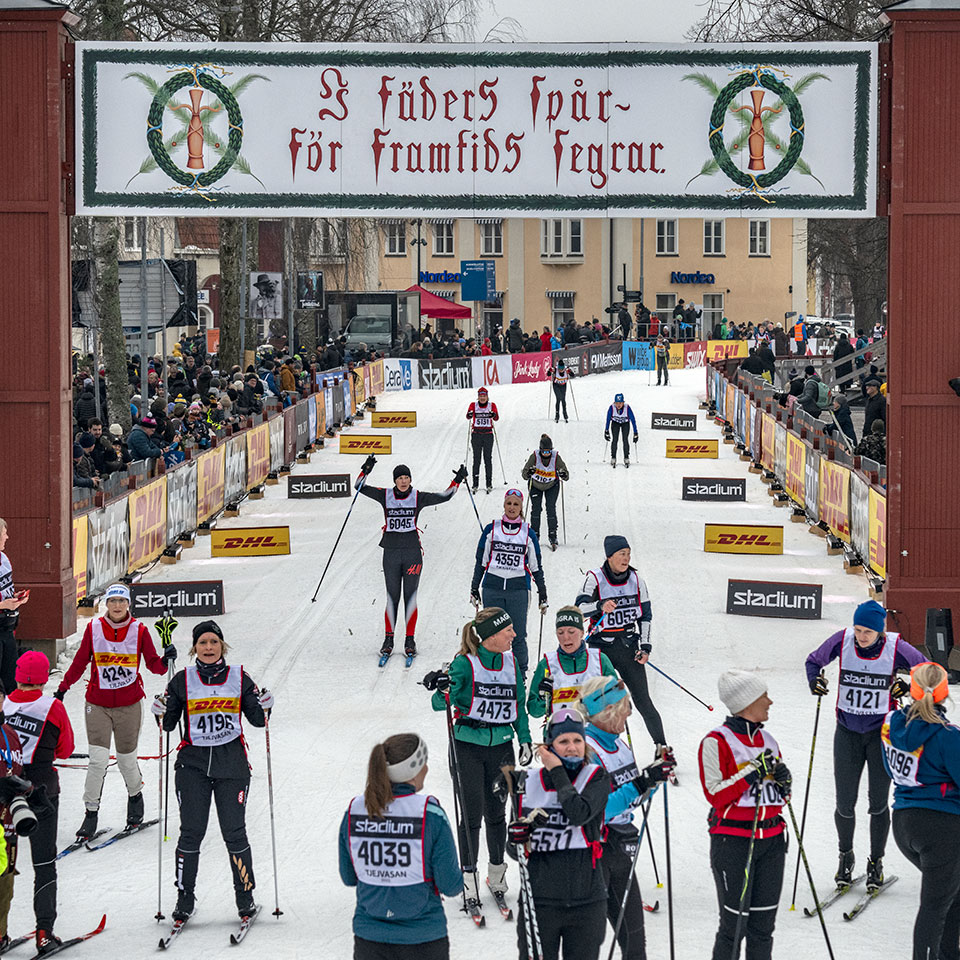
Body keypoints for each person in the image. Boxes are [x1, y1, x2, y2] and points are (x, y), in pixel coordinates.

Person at [154, 620, 271, 922]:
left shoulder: (239, 677)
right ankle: (184, 898)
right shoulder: (182, 680)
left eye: (213, 642)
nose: (208, 648)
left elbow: (258, 720)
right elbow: (168, 724)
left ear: (222, 646)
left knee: (234, 833)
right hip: (192, 765)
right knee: (191, 832)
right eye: (202, 643)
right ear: (194, 648)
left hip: (231, 765)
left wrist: (266, 705)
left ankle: (245, 897)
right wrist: (160, 711)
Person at [805, 599, 924, 889]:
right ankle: (845, 857)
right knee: (844, 803)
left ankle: (876, 862)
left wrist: (910, 686)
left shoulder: (895, 646)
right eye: (858, 629)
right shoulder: (843, 640)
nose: (861, 636)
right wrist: (814, 680)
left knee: (877, 803)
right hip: (847, 732)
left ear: (880, 631)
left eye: (867, 632)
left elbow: (930, 671)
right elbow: (813, 661)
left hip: (880, 736)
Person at [423, 608, 532, 918]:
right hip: (468, 746)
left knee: (497, 814)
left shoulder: (510, 662)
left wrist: (524, 739)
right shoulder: (465, 663)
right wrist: (442, 686)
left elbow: (518, 704)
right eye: (508, 630)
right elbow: (439, 703)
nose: (514, 635)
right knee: (471, 815)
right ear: (491, 636)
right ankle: (468, 880)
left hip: (502, 746)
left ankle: (496, 876)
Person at [55, 582, 175, 839]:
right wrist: (63, 688)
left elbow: (154, 666)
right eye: (113, 601)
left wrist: (166, 660)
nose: (117, 606)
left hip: (129, 705)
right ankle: (90, 813)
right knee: (97, 760)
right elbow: (80, 661)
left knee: (126, 760)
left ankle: (135, 797)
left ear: (128, 604)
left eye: (122, 601)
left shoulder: (139, 630)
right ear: (106, 604)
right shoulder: (94, 628)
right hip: (97, 704)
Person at [339, 734, 462, 960]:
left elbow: (349, 877)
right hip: (423, 939)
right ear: (413, 771)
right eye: (424, 763)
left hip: (370, 940)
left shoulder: (354, 811)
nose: (427, 768)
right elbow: (451, 885)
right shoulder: (430, 814)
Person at [698, 670, 791, 960]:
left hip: (772, 841)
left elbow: (779, 799)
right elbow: (715, 794)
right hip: (734, 843)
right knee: (734, 928)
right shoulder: (716, 741)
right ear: (747, 702)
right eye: (764, 696)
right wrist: (752, 772)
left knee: (763, 928)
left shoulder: (769, 740)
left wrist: (785, 784)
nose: (770, 702)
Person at [582, 676, 676, 960]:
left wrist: (654, 777)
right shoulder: (586, 750)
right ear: (608, 710)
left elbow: (632, 796)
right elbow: (597, 810)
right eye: (625, 707)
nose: (629, 713)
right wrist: (641, 783)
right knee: (586, 946)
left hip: (622, 849)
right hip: (595, 852)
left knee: (635, 944)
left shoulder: (620, 746)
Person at [507, 706, 610, 960]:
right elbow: (513, 849)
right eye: (563, 741)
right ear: (549, 746)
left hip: (586, 903)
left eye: (577, 740)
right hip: (539, 902)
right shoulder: (526, 782)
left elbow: (578, 813)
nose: (572, 747)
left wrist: (556, 771)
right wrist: (517, 837)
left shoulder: (595, 777)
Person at [882, 661, 960, 960]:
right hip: (942, 827)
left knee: (951, 895)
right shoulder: (948, 735)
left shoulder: (891, 723)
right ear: (944, 692)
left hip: (904, 823)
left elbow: (890, 768)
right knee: (935, 907)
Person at [357, 460, 466, 660]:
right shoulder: (385, 495)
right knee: (392, 596)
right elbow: (359, 487)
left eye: (406, 477)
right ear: (395, 480)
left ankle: (409, 639)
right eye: (400, 478)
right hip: (390, 552)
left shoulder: (418, 497)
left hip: (412, 553)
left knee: (410, 596)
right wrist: (366, 470)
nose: (404, 481)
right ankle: (388, 640)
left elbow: (445, 496)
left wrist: (457, 480)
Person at [3, 651, 74, 956]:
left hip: (6, 792)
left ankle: (0, 932)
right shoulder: (53, 707)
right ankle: (44, 933)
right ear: (45, 679)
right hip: (42, 790)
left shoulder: (4, 704)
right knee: (44, 863)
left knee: (3, 865)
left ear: (17, 675)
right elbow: (66, 749)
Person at [576, 536, 666, 752]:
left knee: (643, 700)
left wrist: (645, 647)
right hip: (600, 649)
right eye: (621, 554)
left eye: (628, 554)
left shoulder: (636, 580)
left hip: (628, 647)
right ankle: (592, 749)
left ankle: (662, 747)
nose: (626, 558)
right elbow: (578, 610)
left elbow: (645, 616)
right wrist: (599, 605)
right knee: (597, 702)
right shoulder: (594, 578)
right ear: (610, 557)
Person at [470, 489, 547, 676]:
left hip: (518, 590)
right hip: (492, 587)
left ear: (521, 508)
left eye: (516, 504)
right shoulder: (492, 529)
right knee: (491, 634)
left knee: (517, 634)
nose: (512, 507)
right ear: (504, 505)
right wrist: (474, 587)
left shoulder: (528, 533)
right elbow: (481, 561)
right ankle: (489, 672)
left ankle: (520, 675)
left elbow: (536, 566)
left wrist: (542, 593)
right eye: (509, 503)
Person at [527, 607, 617, 719]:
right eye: (560, 632)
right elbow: (534, 711)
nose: (565, 637)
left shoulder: (599, 660)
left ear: (582, 633)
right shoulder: (547, 664)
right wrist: (543, 698)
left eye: (571, 632)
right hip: (559, 728)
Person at [520, 435, 568, 552]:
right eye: (544, 451)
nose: (546, 454)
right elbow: (524, 475)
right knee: (536, 509)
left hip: (552, 486)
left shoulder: (556, 457)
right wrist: (529, 472)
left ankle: (553, 535)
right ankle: (535, 534)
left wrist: (563, 474)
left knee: (550, 508)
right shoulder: (534, 456)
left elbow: (566, 474)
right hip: (535, 486)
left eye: (548, 451)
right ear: (540, 450)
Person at [0, 520, 29, 697]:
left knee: (11, 681)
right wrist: (3, 605)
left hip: (8, 626)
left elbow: (5, 590)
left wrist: (16, 598)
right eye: (4, 533)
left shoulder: (4, 559)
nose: (7, 537)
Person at [466, 387, 499, 494]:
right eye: (480, 396)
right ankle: (475, 484)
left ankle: (489, 483)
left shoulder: (492, 405)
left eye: (484, 396)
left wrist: (493, 415)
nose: (482, 398)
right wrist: (470, 414)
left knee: (487, 459)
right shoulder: (473, 405)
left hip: (488, 435)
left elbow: (496, 418)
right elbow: (468, 416)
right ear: (478, 397)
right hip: (476, 434)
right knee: (476, 459)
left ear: (487, 397)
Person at [605, 394, 638, 468]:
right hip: (615, 423)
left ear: (623, 402)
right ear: (614, 403)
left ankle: (626, 457)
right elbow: (608, 419)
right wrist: (606, 430)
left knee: (625, 440)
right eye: (617, 403)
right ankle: (613, 457)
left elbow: (633, 420)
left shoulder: (627, 408)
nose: (618, 405)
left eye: (620, 403)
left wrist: (635, 432)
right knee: (615, 440)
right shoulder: (612, 408)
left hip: (625, 423)